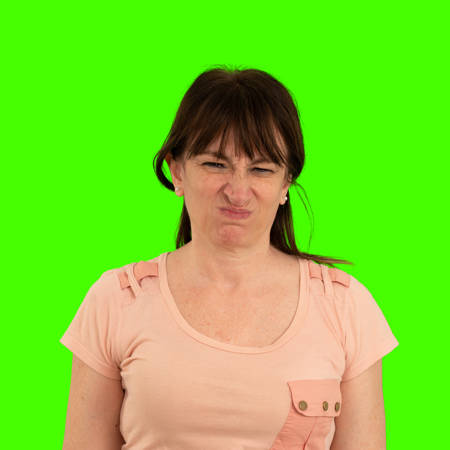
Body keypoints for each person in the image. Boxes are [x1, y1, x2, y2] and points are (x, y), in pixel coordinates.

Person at [60, 65, 399, 450]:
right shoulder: (116, 301)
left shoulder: (346, 307)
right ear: (176, 171)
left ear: (286, 183)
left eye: (261, 169)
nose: (238, 191)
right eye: (215, 164)